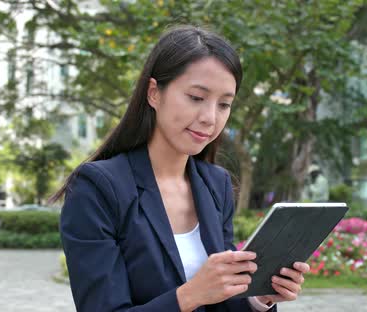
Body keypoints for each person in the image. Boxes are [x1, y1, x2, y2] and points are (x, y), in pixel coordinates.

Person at [51, 25, 309, 312]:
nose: (210, 118)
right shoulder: (97, 188)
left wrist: (258, 298)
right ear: (154, 93)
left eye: (224, 104)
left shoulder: (216, 184)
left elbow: (221, 303)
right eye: (196, 98)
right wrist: (190, 295)